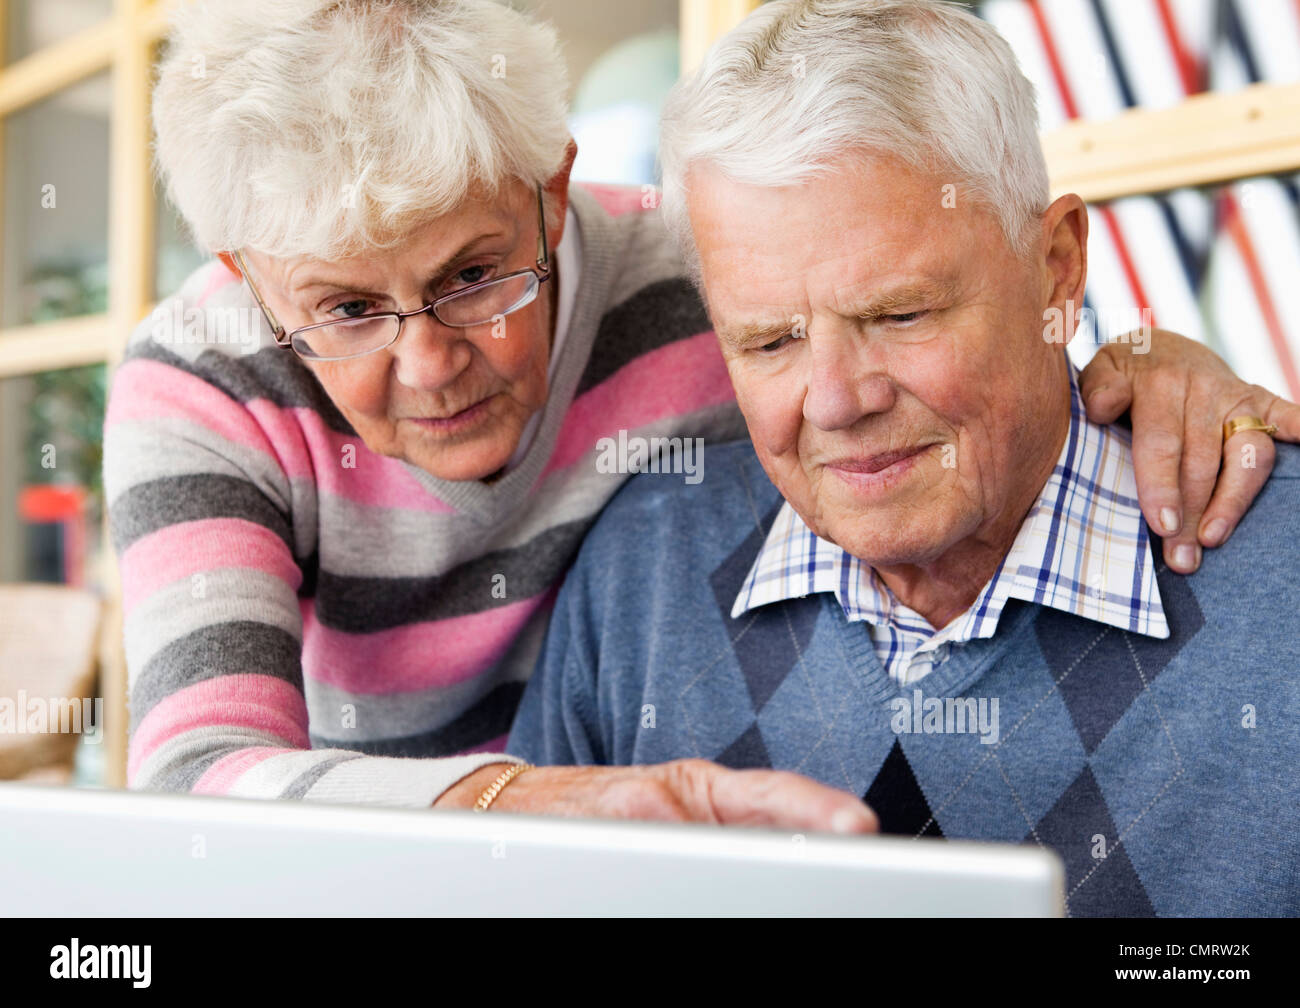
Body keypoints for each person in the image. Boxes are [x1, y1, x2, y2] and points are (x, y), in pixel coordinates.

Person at [108, 0, 1290, 826]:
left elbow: (918, 282)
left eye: (475, 277)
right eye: (348, 308)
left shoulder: (697, 271)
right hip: (374, 856)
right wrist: (567, 814)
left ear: (551, 194)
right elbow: (195, 781)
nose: (427, 366)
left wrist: (1138, 353)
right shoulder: (202, 382)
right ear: (251, 278)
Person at [507, 0, 1299, 915]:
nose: (838, 401)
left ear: (1057, 267)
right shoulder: (639, 573)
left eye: (900, 315)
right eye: (770, 341)